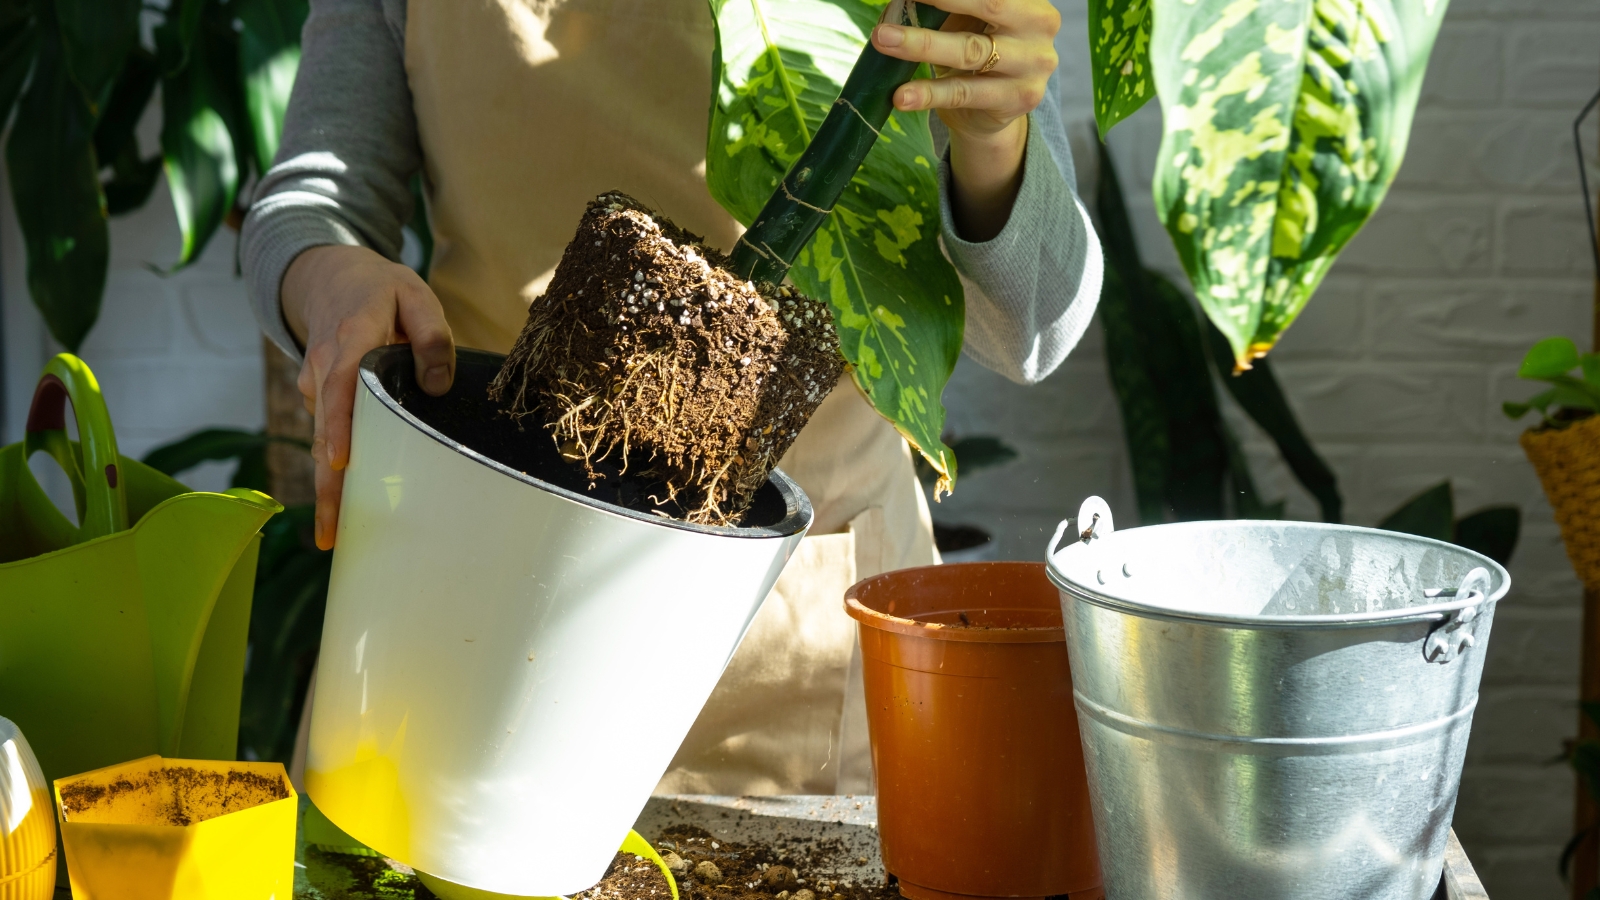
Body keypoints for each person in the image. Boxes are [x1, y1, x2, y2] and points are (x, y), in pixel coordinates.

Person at [242, 0, 1102, 796]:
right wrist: (326, 277)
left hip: (777, 625)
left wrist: (993, 137)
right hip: (468, 583)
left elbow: (1032, 325)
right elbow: (317, 198)